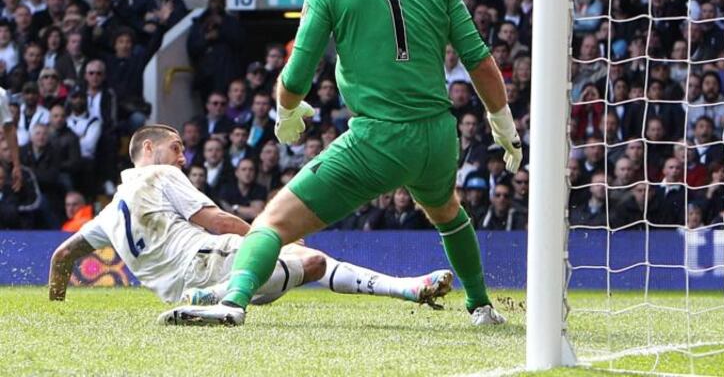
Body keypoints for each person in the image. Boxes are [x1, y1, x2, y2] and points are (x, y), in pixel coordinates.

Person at [163, 0, 519, 327]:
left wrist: (287, 111)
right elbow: (483, 65)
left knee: (271, 223)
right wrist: (504, 126)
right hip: (437, 137)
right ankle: (482, 307)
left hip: (377, 139)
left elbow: (295, 76)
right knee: (448, 212)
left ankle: (231, 303)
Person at [48, 125, 453, 311]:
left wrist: (57, 302)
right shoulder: (161, 174)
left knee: (307, 268)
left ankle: (213, 299)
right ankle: (407, 288)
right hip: (207, 260)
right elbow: (219, 221)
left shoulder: (107, 212)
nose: (182, 157)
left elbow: (61, 258)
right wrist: (272, 238)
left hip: (178, 288)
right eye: (176, 148)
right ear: (149, 148)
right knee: (312, 261)